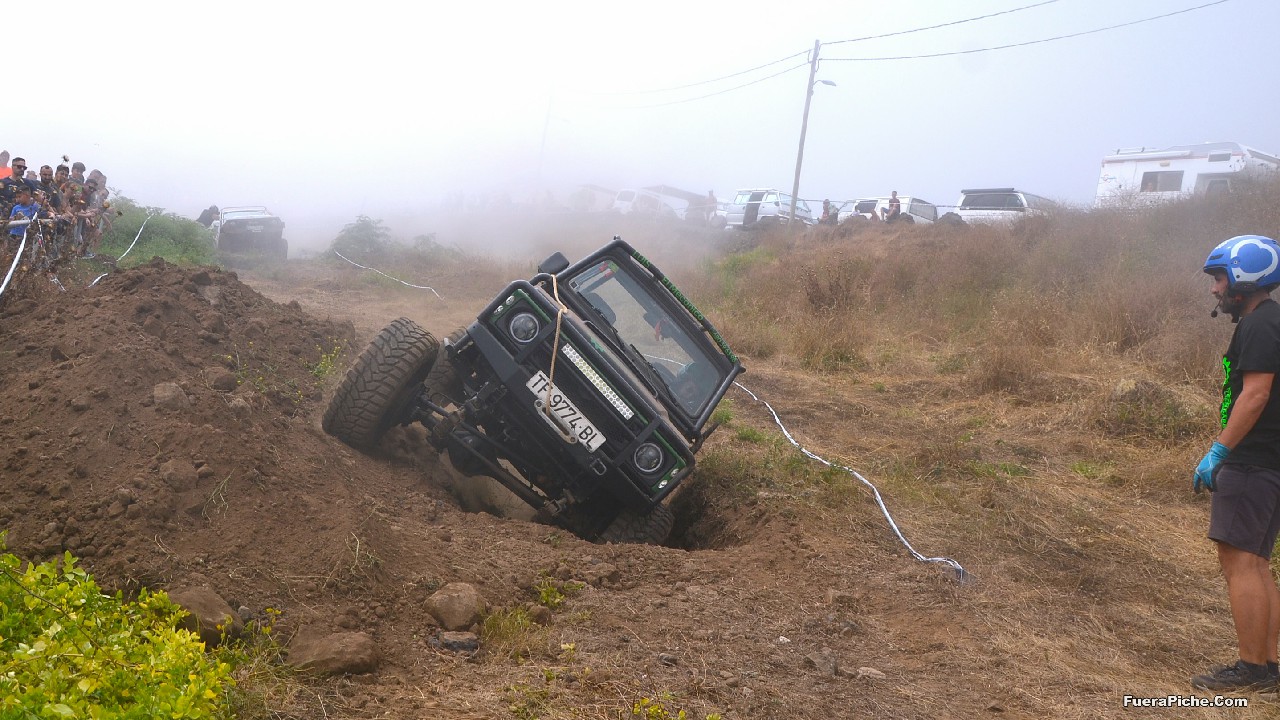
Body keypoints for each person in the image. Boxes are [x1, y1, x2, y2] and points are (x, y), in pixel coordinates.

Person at [1191, 234, 1280, 692]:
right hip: (1268, 462)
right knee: (1257, 564)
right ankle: (1268, 666)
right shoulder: (1270, 321)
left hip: (1252, 463)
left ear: (1245, 276)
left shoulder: (1260, 325)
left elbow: (1256, 393)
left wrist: (1220, 450)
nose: (1215, 289)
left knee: (1240, 563)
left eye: (1220, 278)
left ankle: (1251, 669)